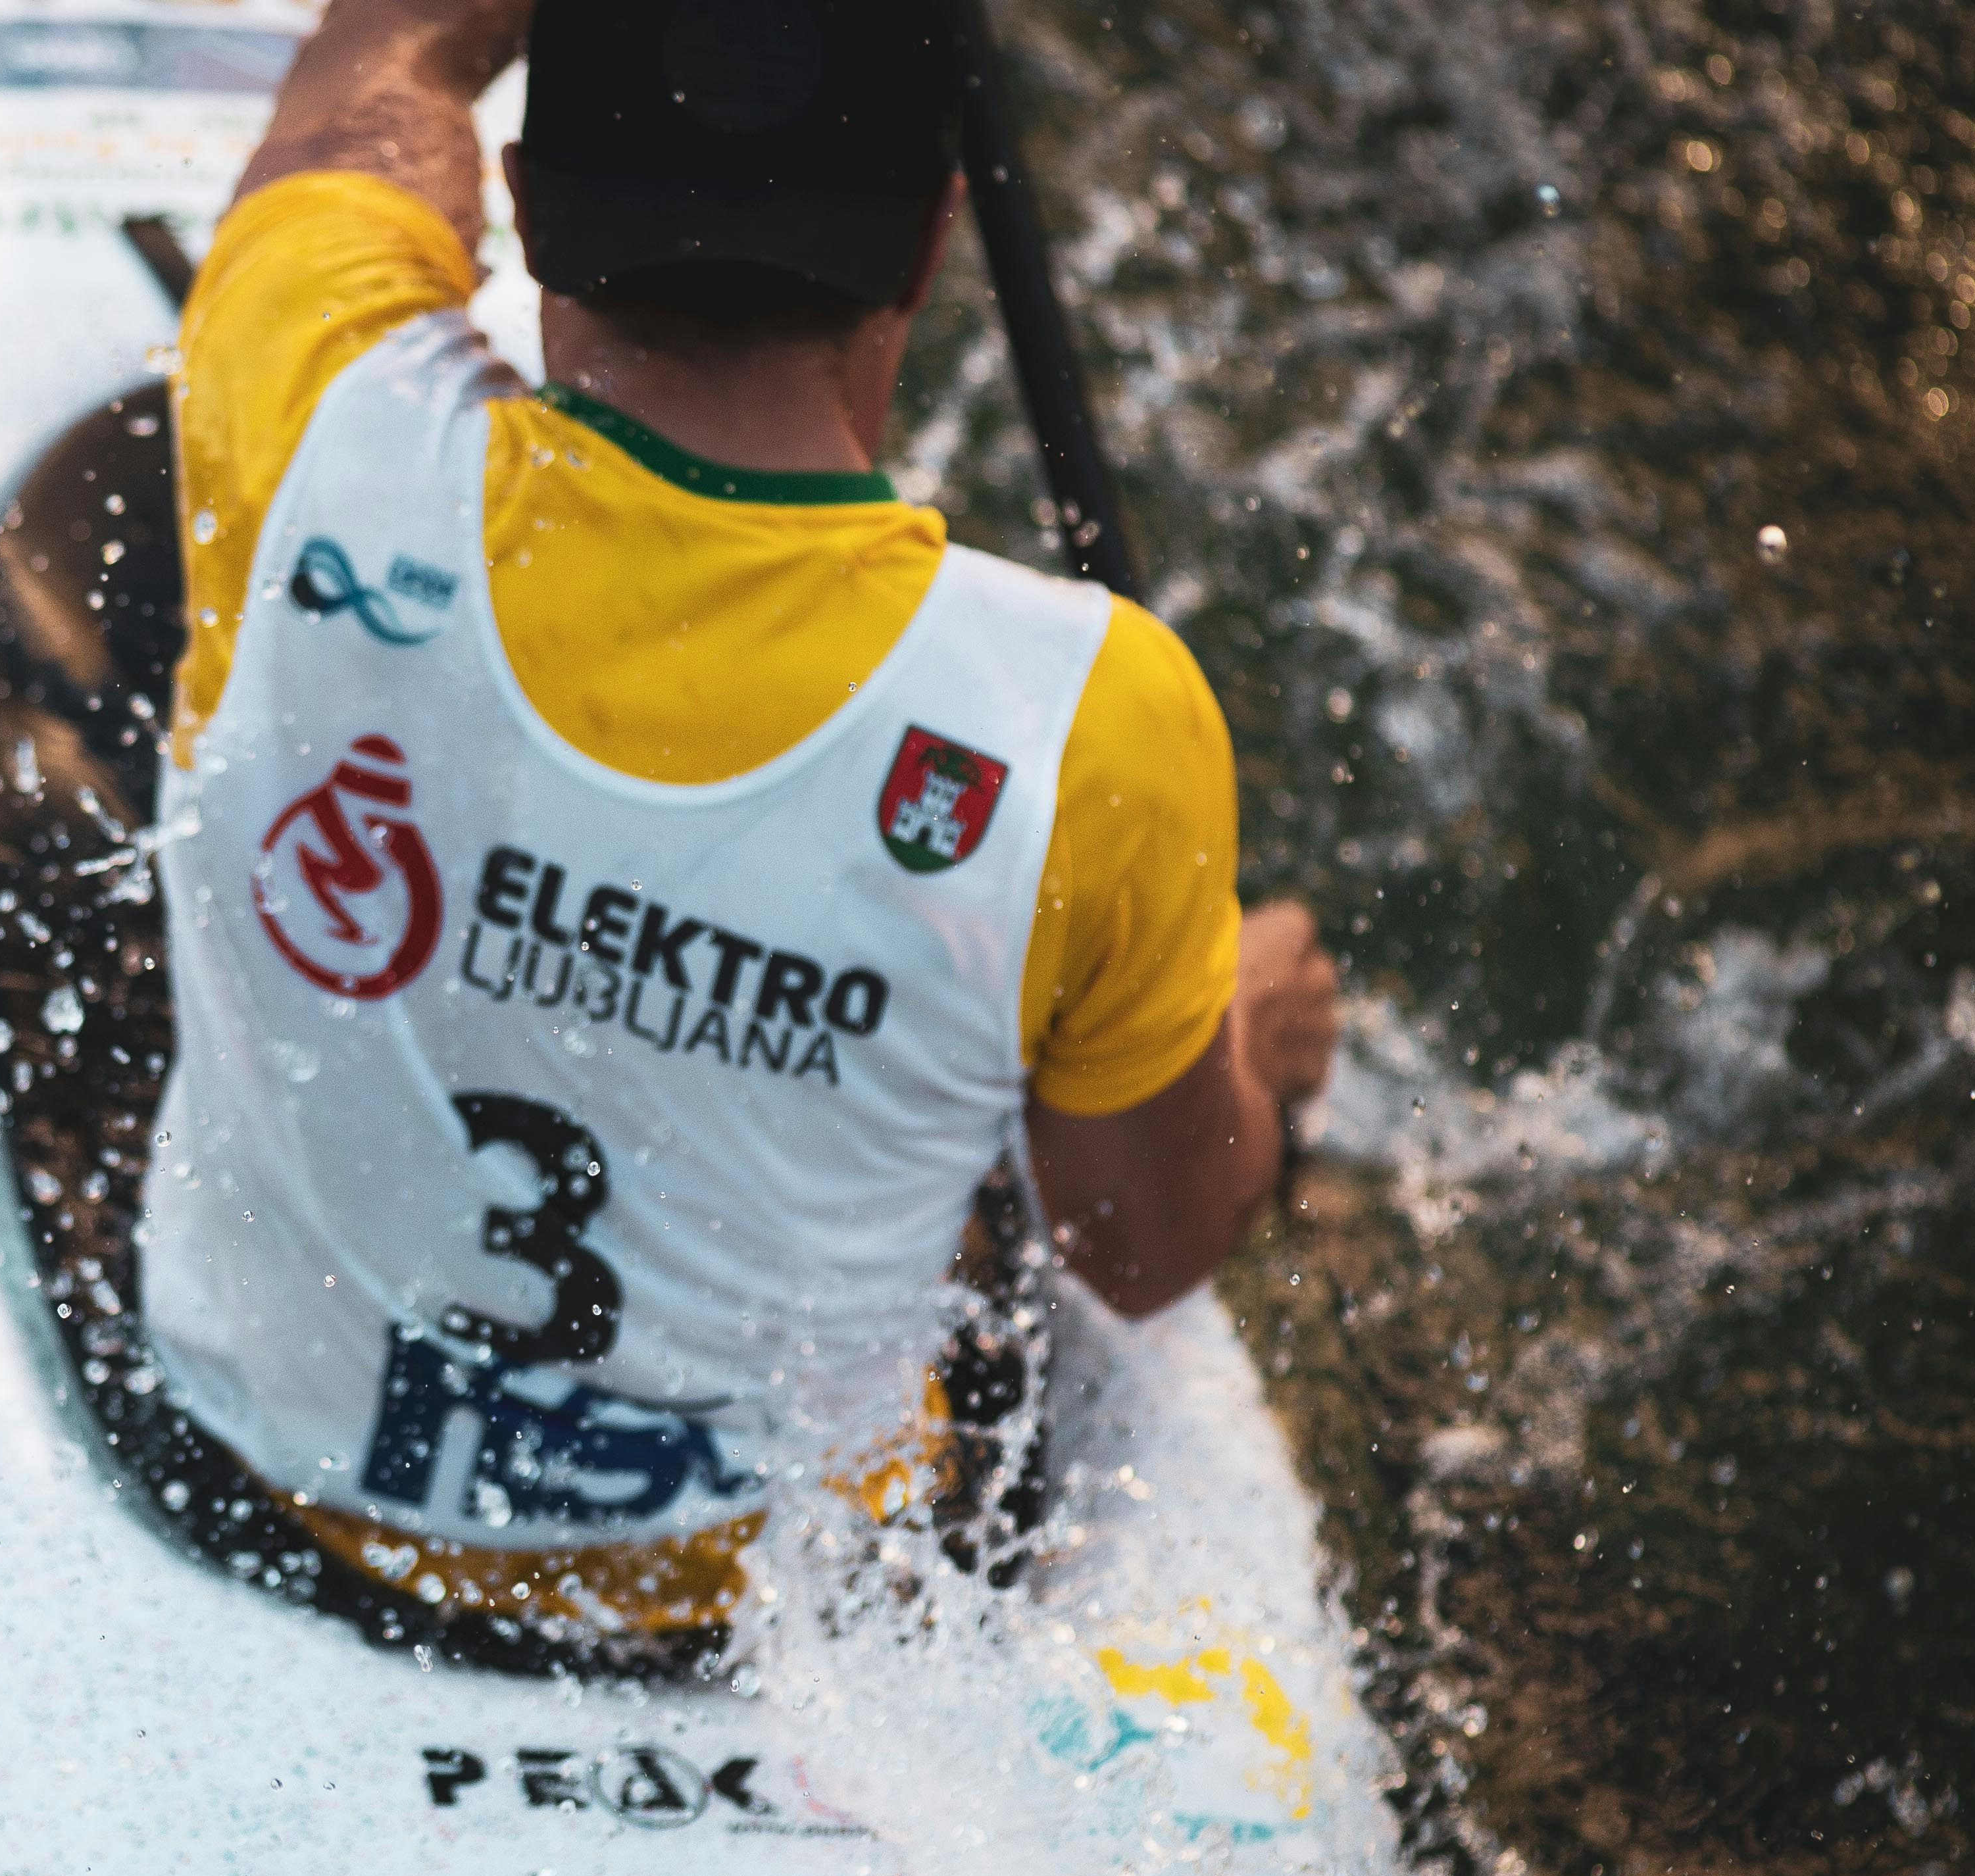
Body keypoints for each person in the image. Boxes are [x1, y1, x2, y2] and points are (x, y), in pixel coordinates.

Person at [132, 0, 1340, 1639]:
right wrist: (1248, 1042)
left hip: (276, 1480)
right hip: (781, 1612)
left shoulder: (315, 390)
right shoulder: (1098, 715)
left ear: (521, 203)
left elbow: (378, 66)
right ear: (930, 243)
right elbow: (1136, 1251)